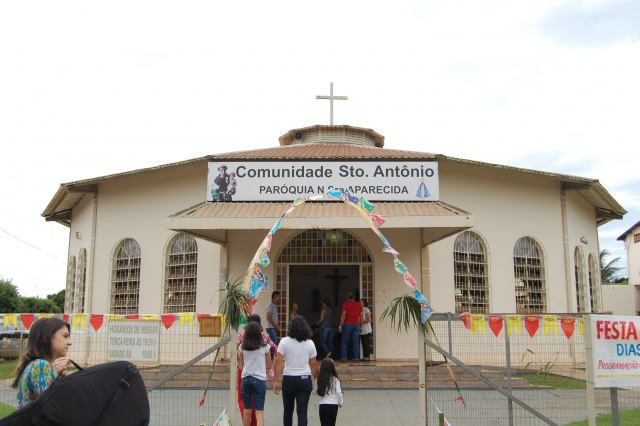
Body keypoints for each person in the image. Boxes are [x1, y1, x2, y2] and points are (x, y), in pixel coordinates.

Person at [11, 317, 72, 407]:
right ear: (46, 338)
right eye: (65, 336)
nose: (69, 342)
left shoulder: (34, 365)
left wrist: (59, 377)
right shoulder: (40, 366)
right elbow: (55, 407)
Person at [272, 316, 318, 426]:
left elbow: (279, 362)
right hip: (304, 379)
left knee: (288, 411)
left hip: (289, 378)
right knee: (302, 412)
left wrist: (275, 380)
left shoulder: (284, 342)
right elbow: (313, 364)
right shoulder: (310, 343)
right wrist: (317, 379)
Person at [237, 314, 277, 426]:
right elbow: (268, 364)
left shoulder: (243, 346)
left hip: (246, 378)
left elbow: (242, 363)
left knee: (247, 411)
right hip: (259, 379)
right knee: (259, 412)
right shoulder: (265, 346)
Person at [313, 358, 343, 426]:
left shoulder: (319, 379)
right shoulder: (335, 379)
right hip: (334, 404)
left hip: (323, 404)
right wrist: (340, 401)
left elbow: (315, 392)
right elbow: (338, 392)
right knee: (332, 423)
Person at [338, 292, 362, 362]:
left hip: (348, 324)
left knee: (344, 342)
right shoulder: (358, 305)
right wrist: (361, 326)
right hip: (356, 324)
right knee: (356, 342)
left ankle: (344, 357)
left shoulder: (345, 304)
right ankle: (357, 358)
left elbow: (343, 314)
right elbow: (361, 315)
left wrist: (340, 325)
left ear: (347, 297)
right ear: (354, 297)